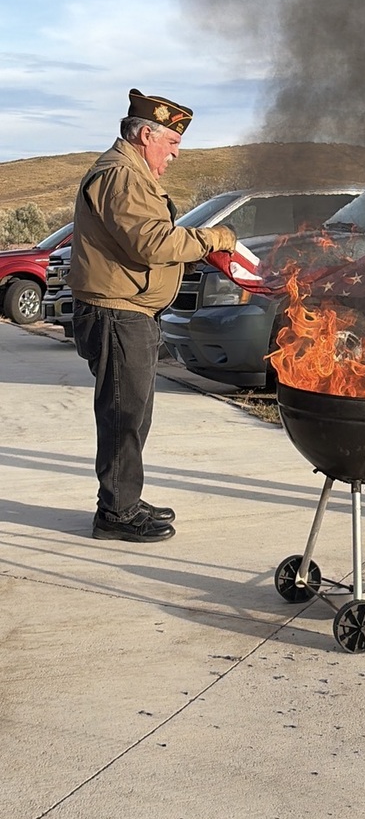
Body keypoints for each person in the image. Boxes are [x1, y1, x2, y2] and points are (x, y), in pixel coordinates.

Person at [67, 88, 237, 543]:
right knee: (124, 414)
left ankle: (123, 497)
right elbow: (153, 243)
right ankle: (116, 513)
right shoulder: (122, 175)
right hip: (117, 315)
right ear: (146, 134)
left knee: (133, 412)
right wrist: (211, 239)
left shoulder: (128, 172)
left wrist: (194, 251)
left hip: (127, 312)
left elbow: (147, 245)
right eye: (172, 144)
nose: (176, 155)